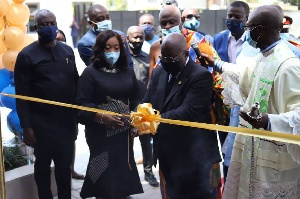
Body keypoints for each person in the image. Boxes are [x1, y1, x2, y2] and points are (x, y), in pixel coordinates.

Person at [209, 5, 300, 198]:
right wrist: (215, 63)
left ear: (261, 29)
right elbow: (244, 75)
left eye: (250, 27)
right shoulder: (264, 56)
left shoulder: (288, 66)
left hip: (274, 161)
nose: (247, 32)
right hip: (253, 152)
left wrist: (268, 121)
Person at [142, 32, 221, 198]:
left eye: (171, 58)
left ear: (185, 54)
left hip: (194, 155)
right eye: (164, 57)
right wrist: (139, 119)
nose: (166, 61)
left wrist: (154, 120)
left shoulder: (200, 75)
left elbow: (188, 111)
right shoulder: (159, 72)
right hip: (168, 152)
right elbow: (148, 102)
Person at [14, 9, 78, 199]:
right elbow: (22, 95)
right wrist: (27, 127)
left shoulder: (67, 50)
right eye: (44, 24)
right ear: (36, 27)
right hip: (41, 124)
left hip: (66, 123)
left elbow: (76, 82)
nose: (49, 27)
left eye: (52, 23)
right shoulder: (26, 56)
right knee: (42, 167)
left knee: (64, 167)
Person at [76, 30, 143, 198]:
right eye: (108, 48)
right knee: (104, 180)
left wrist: (135, 119)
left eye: (116, 47)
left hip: (124, 135)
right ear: (100, 49)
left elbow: (136, 98)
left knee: (122, 173)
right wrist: (101, 116)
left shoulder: (127, 71)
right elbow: (80, 105)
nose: (113, 52)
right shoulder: (90, 73)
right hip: (100, 135)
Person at [212, 0, 250, 181]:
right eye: (230, 16)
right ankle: (228, 183)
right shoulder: (218, 39)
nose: (232, 20)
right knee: (225, 148)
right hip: (223, 104)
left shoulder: (253, 42)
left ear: (247, 19)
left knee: (241, 152)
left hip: (244, 105)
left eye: (237, 17)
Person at [148, 5, 219, 85]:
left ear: (181, 20)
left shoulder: (198, 41)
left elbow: (216, 75)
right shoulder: (156, 46)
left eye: (172, 22)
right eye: (163, 23)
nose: (167, 26)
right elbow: (152, 83)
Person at [126, 26, 159, 187]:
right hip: (127, 108)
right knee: (127, 145)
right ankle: (130, 177)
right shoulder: (123, 61)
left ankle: (149, 173)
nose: (137, 40)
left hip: (144, 108)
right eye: (134, 37)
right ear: (127, 38)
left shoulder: (148, 58)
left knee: (147, 144)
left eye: (140, 37)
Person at [55, 29, 85, 180]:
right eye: (57, 39)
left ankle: (71, 170)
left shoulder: (68, 55)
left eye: (62, 39)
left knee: (71, 139)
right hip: (50, 113)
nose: (60, 42)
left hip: (69, 109)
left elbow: (76, 79)